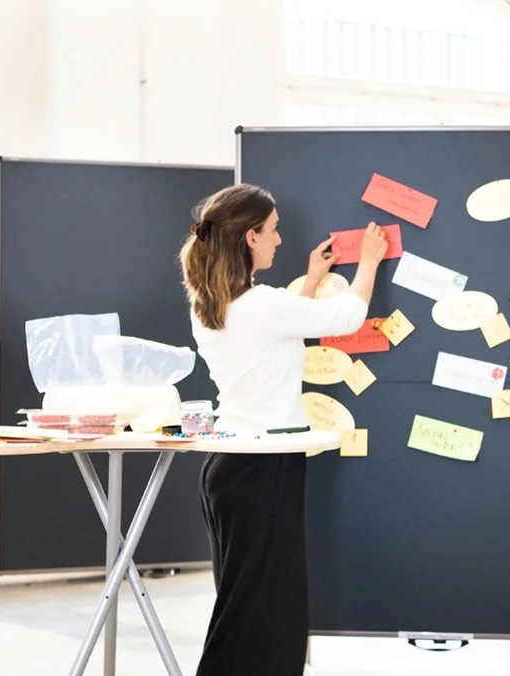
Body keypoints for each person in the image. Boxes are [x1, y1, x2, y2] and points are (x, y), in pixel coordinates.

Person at [180, 183, 388, 676]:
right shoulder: (264, 304)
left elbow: (276, 333)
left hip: (230, 465)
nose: (279, 239)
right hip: (264, 467)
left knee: (247, 605)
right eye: (273, 230)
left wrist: (312, 279)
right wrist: (370, 261)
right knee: (265, 611)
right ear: (250, 237)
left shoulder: (211, 302)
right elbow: (348, 316)